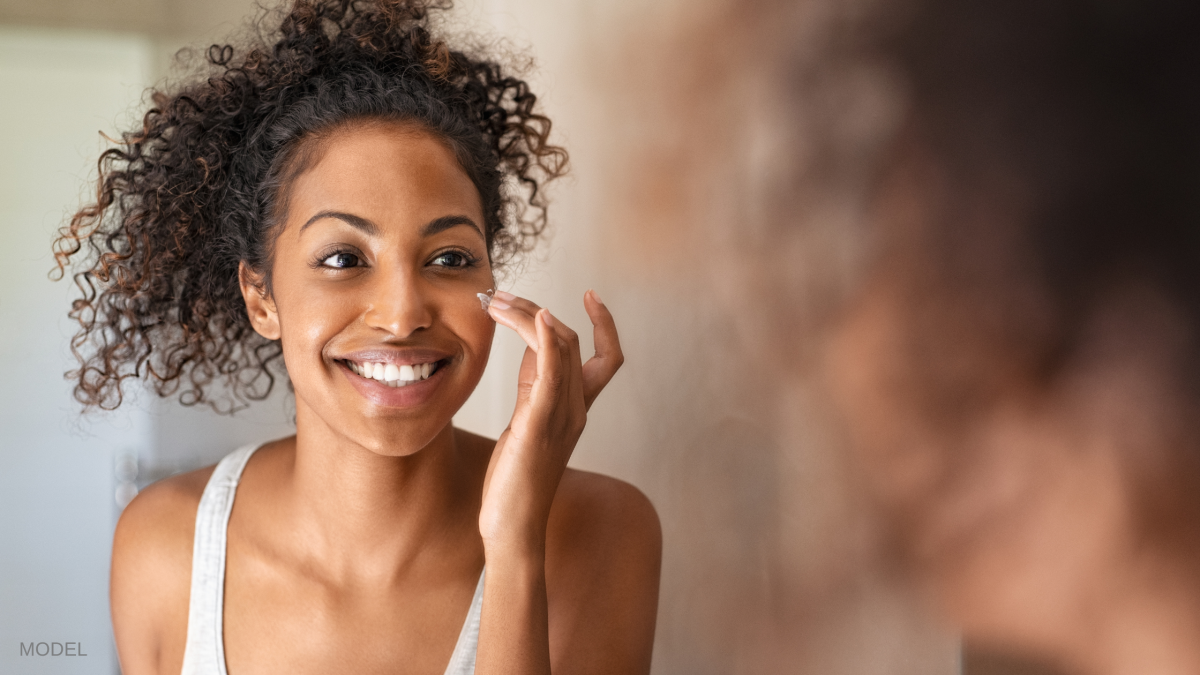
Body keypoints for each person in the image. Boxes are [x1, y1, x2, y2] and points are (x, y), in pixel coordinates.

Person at [51, 1, 661, 674]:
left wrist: (515, 541)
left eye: (451, 258)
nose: (401, 316)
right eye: (343, 259)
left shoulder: (602, 530)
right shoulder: (166, 544)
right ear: (261, 296)